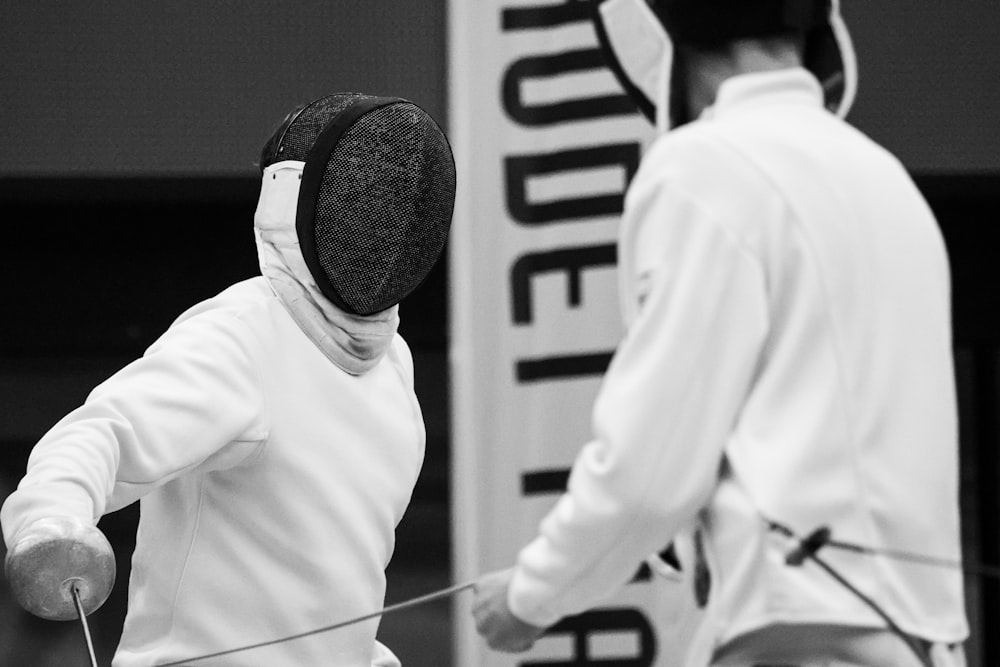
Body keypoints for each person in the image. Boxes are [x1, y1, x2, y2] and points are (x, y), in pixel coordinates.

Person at [471, 1, 969, 665]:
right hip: (919, 641)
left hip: (798, 635)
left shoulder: (705, 167)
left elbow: (652, 470)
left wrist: (531, 593)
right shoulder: (885, 177)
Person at [2, 92, 456, 667]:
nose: (389, 227)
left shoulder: (392, 366)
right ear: (302, 204)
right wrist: (50, 520)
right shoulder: (244, 336)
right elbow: (104, 433)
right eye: (366, 203)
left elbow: (334, 578)